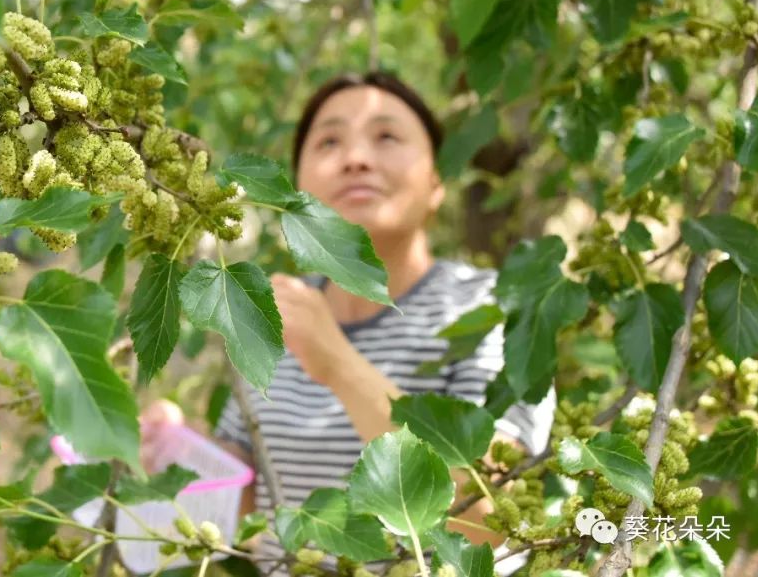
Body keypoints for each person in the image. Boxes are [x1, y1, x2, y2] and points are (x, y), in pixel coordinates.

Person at [144, 72, 556, 573]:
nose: (356, 158)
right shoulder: (273, 313)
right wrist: (177, 447)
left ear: (435, 184)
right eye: (329, 141)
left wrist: (337, 363)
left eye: (387, 136)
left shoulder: (490, 308)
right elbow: (251, 495)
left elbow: (493, 519)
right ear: (297, 190)